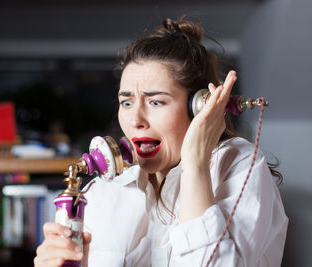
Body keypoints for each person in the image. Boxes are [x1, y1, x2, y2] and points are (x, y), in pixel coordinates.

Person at [34, 17, 288, 267]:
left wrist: (195, 164)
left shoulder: (238, 164)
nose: (136, 120)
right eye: (127, 102)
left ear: (200, 107)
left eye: (155, 102)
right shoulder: (103, 191)